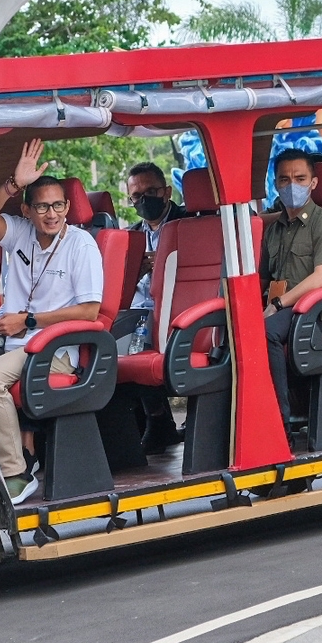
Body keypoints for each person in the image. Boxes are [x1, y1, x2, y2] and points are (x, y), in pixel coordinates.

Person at [0, 139, 104, 504]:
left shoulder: (81, 245)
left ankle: (16, 473)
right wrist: (13, 183)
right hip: (13, 345)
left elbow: (89, 311)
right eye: (42, 206)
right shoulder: (20, 233)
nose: (51, 214)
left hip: (53, 348)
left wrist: (29, 320)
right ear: (27, 209)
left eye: (57, 205)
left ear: (67, 207)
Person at [261, 149, 322, 439]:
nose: (291, 186)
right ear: (275, 184)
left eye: (300, 179)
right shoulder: (273, 230)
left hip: (315, 314)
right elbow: (262, 277)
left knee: (265, 333)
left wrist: (277, 304)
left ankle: (277, 425)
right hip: (280, 311)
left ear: (313, 182)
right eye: (284, 180)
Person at [125, 161, 188, 451]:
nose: (144, 200)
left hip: (177, 306)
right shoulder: (131, 235)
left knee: (138, 340)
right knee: (111, 337)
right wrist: (136, 270)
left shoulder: (189, 223)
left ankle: (159, 421)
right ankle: (149, 421)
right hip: (139, 309)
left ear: (166, 191)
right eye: (137, 196)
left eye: (151, 192)